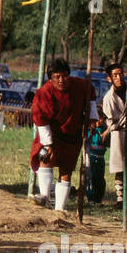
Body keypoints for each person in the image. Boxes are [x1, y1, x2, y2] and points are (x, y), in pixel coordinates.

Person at [29, 58, 97, 213]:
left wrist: (92, 117)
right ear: (50, 78)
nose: (61, 80)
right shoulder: (44, 92)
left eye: (64, 76)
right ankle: (44, 196)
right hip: (52, 133)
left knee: (66, 170)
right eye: (57, 77)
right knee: (46, 157)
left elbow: (91, 94)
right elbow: (41, 119)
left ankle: (60, 210)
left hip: (73, 134)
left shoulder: (80, 86)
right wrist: (48, 144)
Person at [100, 61, 127, 204]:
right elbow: (111, 120)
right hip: (118, 133)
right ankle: (120, 199)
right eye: (115, 75)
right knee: (120, 167)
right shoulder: (108, 98)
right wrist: (111, 128)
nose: (118, 77)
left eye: (120, 74)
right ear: (109, 78)